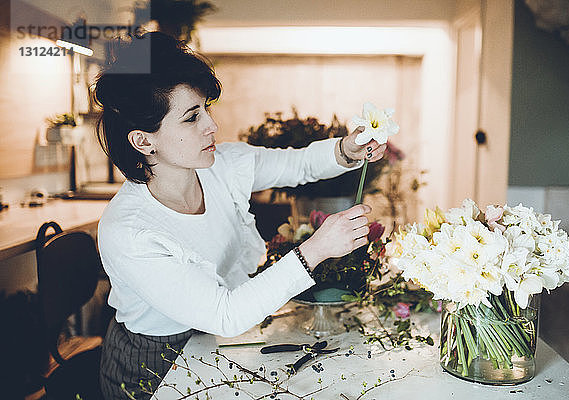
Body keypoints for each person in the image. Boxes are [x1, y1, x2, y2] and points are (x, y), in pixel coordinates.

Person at [93, 31, 387, 399]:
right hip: (153, 365)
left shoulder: (222, 164)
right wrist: (317, 248)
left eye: (205, 109)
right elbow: (225, 314)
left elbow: (297, 164)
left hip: (216, 340)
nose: (211, 125)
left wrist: (347, 150)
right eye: (191, 118)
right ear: (143, 141)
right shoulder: (129, 232)